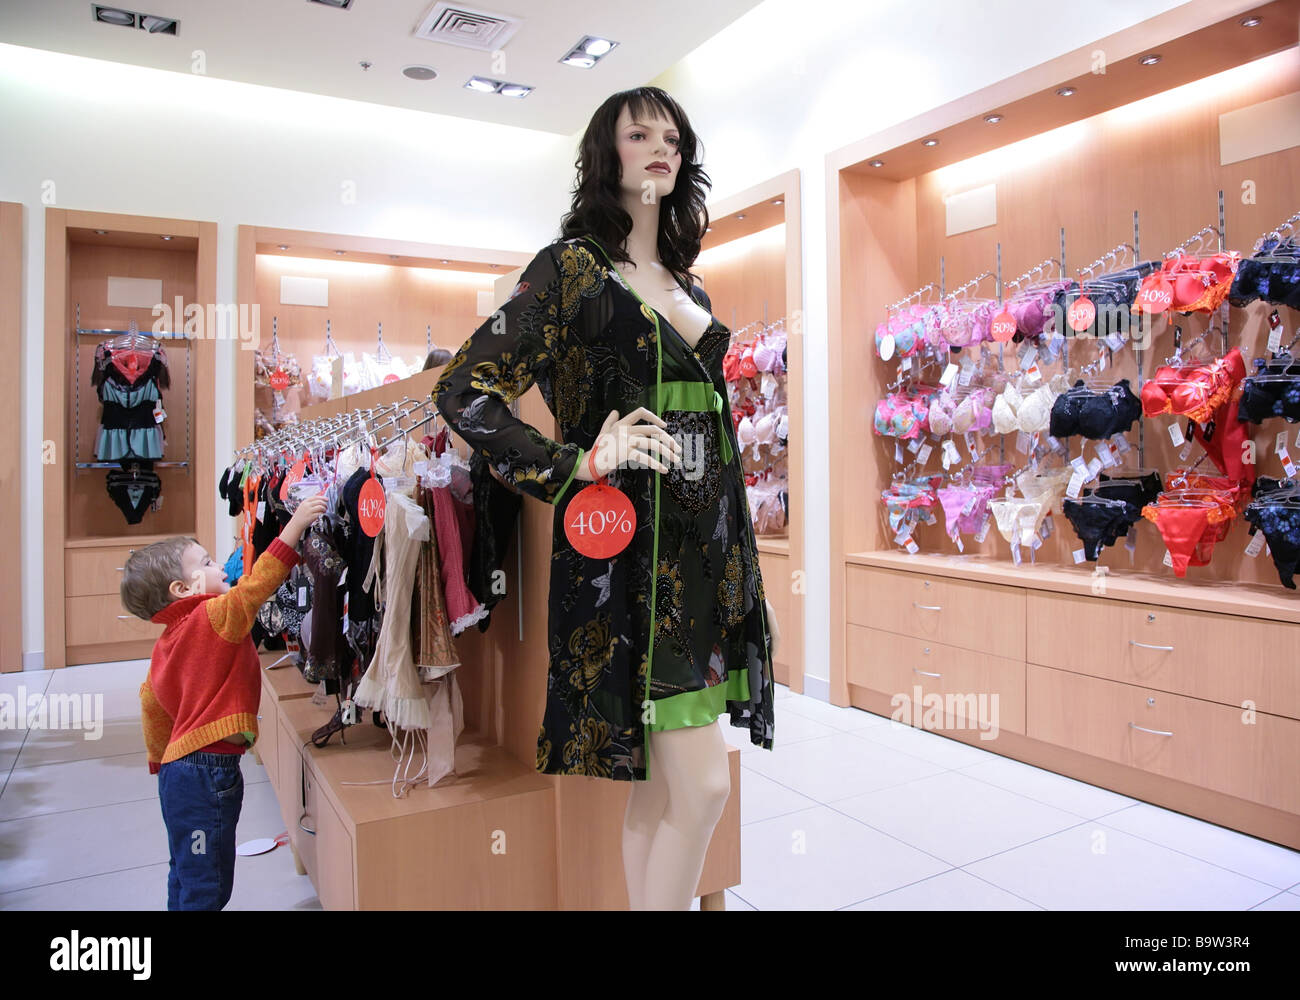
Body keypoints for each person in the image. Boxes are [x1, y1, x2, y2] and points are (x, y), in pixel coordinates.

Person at [431, 86, 779, 910]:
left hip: (707, 543)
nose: (659, 146)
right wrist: (577, 461)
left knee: (661, 790)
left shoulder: (685, 280)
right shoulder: (570, 269)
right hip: (633, 552)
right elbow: (465, 392)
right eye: (638, 133)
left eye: (672, 135)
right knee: (703, 791)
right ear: (606, 151)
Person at [121, 491, 330, 910]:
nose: (221, 566)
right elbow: (259, 584)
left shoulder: (166, 644)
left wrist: (160, 761)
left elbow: (150, 704)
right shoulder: (214, 616)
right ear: (184, 588)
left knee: (185, 869)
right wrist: (297, 523)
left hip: (178, 775)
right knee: (208, 883)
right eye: (207, 564)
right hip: (206, 773)